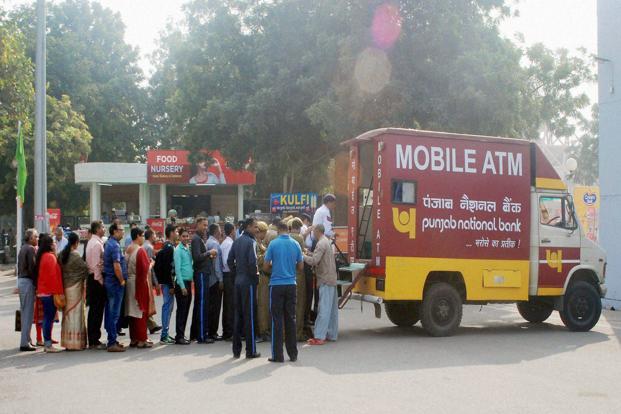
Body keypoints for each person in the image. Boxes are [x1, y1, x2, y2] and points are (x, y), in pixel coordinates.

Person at [263, 221, 304, 363]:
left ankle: (277, 355)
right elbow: (300, 266)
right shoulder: (296, 244)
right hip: (291, 284)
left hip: (276, 285)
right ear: (289, 229)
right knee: (290, 319)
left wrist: (275, 269)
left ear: (278, 229)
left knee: (277, 320)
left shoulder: (273, 244)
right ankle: (293, 354)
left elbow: (265, 266)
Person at [227, 217, 261, 359]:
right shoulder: (251, 242)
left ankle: (236, 350)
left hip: (238, 282)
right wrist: (255, 276)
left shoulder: (237, 241)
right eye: (255, 227)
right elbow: (253, 263)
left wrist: (237, 274)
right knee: (250, 316)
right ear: (248, 227)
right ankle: (250, 350)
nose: (257, 229)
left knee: (238, 316)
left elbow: (229, 261)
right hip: (248, 283)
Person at [303, 224, 339, 345]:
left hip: (324, 279)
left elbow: (314, 261)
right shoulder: (326, 241)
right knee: (331, 310)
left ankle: (319, 336)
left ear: (317, 231)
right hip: (332, 278)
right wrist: (309, 253)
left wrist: (302, 256)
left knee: (323, 308)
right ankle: (331, 334)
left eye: (313, 231)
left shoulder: (320, 243)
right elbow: (318, 257)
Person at [60, 232, 89, 351]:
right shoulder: (76, 256)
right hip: (76, 288)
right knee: (76, 314)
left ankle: (67, 342)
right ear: (76, 243)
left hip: (65, 288)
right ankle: (76, 343)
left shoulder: (61, 255)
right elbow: (85, 270)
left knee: (67, 315)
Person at [35, 233, 64, 353]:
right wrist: (59, 292)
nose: (55, 244)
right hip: (49, 291)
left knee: (48, 317)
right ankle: (47, 344)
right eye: (53, 242)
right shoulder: (50, 257)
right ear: (49, 245)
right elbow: (54, 277)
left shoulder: (43, 256)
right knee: (48, 317)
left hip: (44, 290)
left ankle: (47, 341)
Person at [124, 228, 152, 348]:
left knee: (131, 312)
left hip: (129, 282)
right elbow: (144, 270)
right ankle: (142, 339)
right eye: (142, 236)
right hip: (138, 283)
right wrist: (151, 264)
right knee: (141, 311)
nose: (143, 238)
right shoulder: (140, 251)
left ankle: (134, 338)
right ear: (137, 236)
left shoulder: (128, 249)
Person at [190, 217, 216, 343]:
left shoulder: (199, 238)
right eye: (204, 225)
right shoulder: (195, 239)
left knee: (201, 304)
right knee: (202, 304)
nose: (206, 228)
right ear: (198, 225)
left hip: (204, 273)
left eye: (207, 226)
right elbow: (196, 257)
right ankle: (201, 335)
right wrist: (209, 253)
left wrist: (209, 256)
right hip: (200, 273)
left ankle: (196, 333)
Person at [103, 223, 128, 352]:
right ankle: (112, 342)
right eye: (121, 230)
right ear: (114, 231)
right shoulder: (114, 246)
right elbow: (116, 266)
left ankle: (112, 339)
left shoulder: (110, 244)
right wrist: (122, 281)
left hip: (110, 282)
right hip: (115, 283)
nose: (123, 233)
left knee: (111, 312)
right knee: (114, 314)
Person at [154, 224, 177, 344]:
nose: (177, 233)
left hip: (166, 282)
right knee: (167, 307)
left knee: (168, 307)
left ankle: (166, 334)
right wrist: (171, 285)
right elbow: (168, 268)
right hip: (169, 283)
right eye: (176, 231)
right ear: (171, 233)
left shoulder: (167, 246)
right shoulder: (169, 248)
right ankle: (164, 335)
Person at [85, 220, 107, 350]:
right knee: (96, 311)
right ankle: (94, 340)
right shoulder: (96, 244)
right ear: (98, 229)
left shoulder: (93, 242)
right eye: (103, 227)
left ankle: (93, 338)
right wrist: (100, 281)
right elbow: (96, 266)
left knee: (94, 311)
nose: (104, 229)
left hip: (93, 279)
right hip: (95, 280)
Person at [17, 229, 38, 352]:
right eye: (35, 236)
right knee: (27, 314)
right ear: (30, 238)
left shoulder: (23, 248)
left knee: (24, 312)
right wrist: (36, 284)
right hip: (27, 282)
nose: (37, 239)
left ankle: (27, 339)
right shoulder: (30, 249)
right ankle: (24, 342)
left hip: (22, 281)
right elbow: (32, 268)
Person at [289, 218, 308, 341]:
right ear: (300, 227)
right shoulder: (299, 238)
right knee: (300, 304)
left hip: (288, 273)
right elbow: (301, 255)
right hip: (298, 274)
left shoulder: (287, 237)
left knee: (290, 306)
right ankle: (298, 333)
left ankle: (288, 333)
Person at [174, 228, 193, 345]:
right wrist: (182, 286)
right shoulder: (178, 250)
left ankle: (181, 334)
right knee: (181, 311)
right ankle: (179, 336)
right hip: (182, 284)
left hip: (188, 282)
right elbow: (177, 269)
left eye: (187, 236)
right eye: (184, 236)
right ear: (179, 237)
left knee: (185, 311)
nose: (186, 238)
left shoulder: (187, 248)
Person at [206, 224, 225, 341]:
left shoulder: (208, 242)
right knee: (215, 307)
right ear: (215, 232)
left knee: (211, 306)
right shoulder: (215, 244)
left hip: (209, 278)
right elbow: (217, 264)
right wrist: (221, 279)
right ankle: (213, 332)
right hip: (215, 279)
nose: (221, 232)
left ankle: (210, 331)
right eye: (219, 230)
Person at [143, 229, 162, 335]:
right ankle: (151, 325)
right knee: (147, 303)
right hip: (148, 277)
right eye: (155, 235)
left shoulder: (146, 246)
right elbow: (151, 267)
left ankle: (152, 325)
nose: (156, 237)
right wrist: (156, 283)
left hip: (145, 276)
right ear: (151, 236)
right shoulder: (149, 247)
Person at [220, 222, 235, 341]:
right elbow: (227, 261)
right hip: (229, 275)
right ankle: (229, 331)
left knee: (227, 304)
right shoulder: (229, 244)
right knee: (230, 304)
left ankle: (227, 330)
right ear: (232, 231)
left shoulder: (224, 243)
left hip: (226, 274)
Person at [256, 221, 270, 342]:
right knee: (262, 305)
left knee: (265, 306)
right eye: (264, 233)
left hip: (266, 277)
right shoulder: (255, 243)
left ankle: (265, 330)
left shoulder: (260, 243)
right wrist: (267, 253)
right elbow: (258, 260)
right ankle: (262, 331)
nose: (265, 235)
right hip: (261, 277)